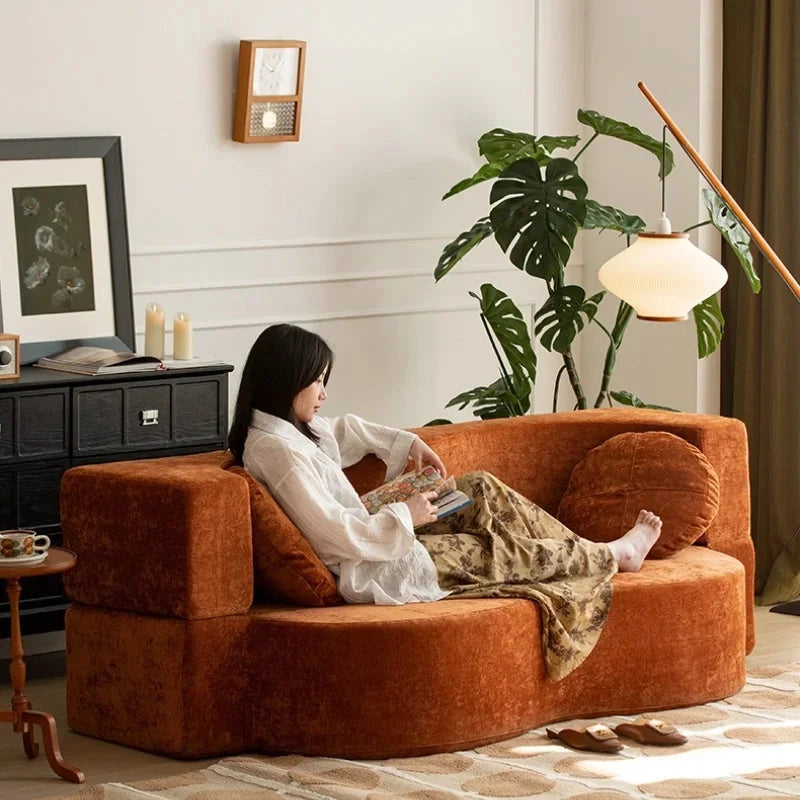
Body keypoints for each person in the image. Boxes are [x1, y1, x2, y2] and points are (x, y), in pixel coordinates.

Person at [228, 324, 662, 680]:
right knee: (490, 550)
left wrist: (408, 442)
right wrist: (408, 513)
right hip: (370, 564)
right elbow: (332, 536)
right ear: (286, 380)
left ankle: (579, 551)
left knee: (479, 488)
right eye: (317, 381)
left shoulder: (290, 429)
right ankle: (611, 554)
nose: (324, 393)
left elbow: (342, 431)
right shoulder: (277, 453)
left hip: (378, 529)